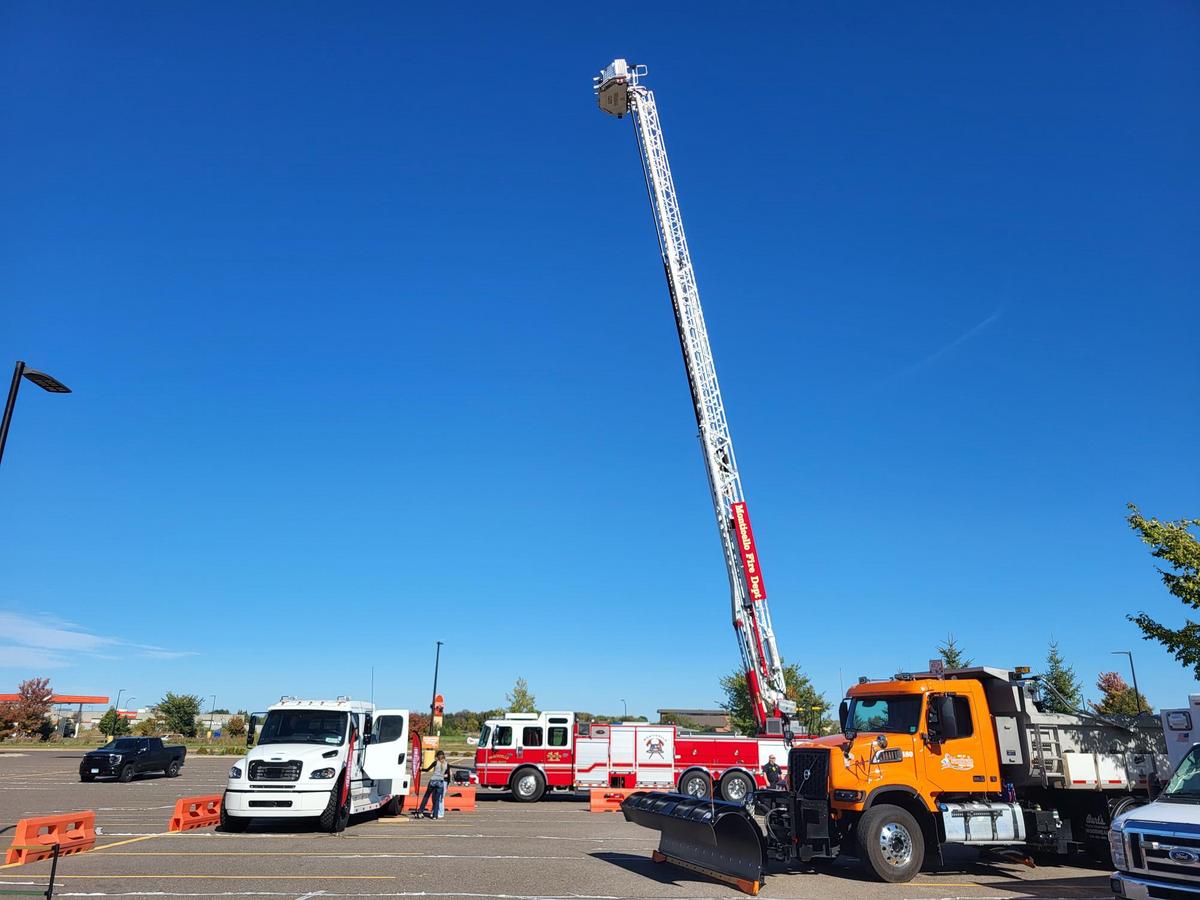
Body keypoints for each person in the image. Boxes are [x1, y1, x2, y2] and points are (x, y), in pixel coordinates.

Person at [417, 750, 451, 819]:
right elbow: (448, 775)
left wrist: (421, 769)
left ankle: (421, 811)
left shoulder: (435, 762)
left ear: (437, 757)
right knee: (437, 799)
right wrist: (447, 784)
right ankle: (435, 815)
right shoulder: (447, 764)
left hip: (433, 781)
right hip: (440, 782)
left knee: (426, 796)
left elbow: (427, 769)